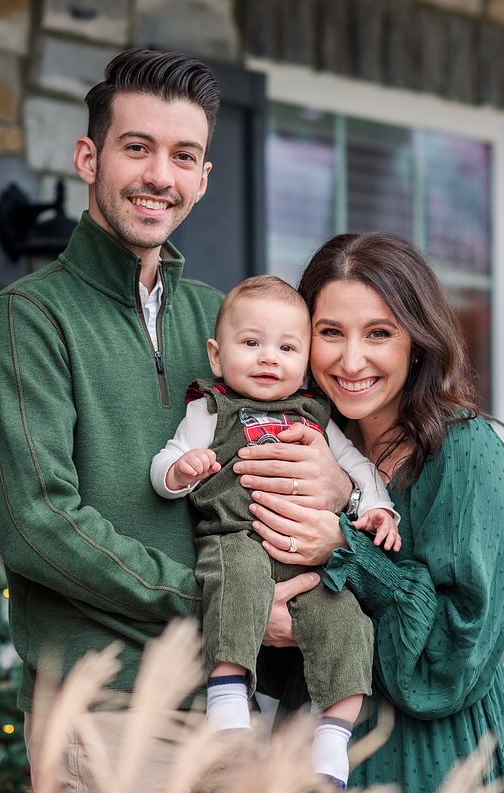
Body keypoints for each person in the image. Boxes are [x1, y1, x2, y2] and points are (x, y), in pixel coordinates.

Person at [0, 48, 348, 790]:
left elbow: (302, 455)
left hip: (235, 704)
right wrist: (227, 606)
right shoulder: (27, 319)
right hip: (106, 710)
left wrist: (332, 483)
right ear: (89, 156)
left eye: (184, 156)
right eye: (136, 147)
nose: (159, 176)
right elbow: (42, 525)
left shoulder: (223, 319)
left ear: (204, 179)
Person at [243, 233, 504, 793]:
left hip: (432, 755)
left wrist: (344, 545)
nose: (352, 361)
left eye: (379, 333)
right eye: (330, 333)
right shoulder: (303, 442)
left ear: (416, 344)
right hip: (308, 747)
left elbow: (454, 655)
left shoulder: (468, 453)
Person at [149, 274, 400, 788]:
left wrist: (376, 508)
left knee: (350, 622)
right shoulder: (209, 410)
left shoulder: (315, 416)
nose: (269, 358)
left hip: (308, 565)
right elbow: (166, 461)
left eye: (287, 347)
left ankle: (333, 737)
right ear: (217, 357)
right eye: (251, 344)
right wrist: (180, 472)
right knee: (234, 577)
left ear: (305, 362)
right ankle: (227, 694)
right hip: (237, 537)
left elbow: (358, 468)